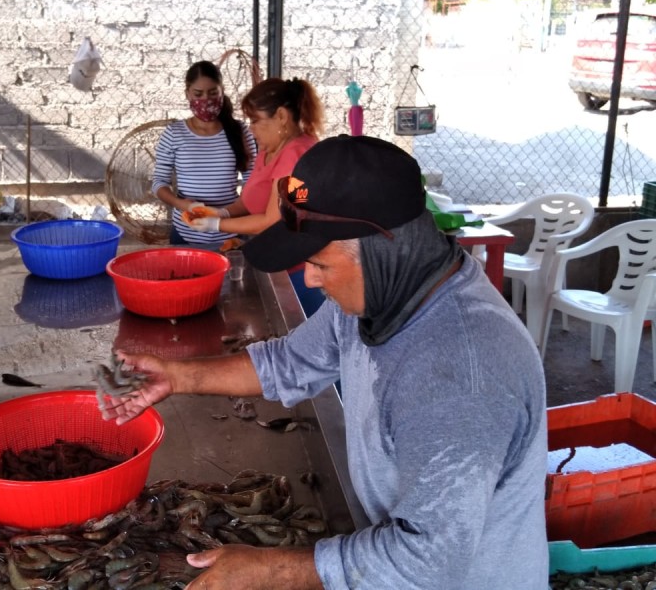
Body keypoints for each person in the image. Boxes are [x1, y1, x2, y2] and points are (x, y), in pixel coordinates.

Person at [101, 135, 548, 590]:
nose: (309, 277)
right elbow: (291, 361)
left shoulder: (459, 376)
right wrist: (178, 376)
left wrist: (269, 569)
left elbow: (427, 560)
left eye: (319, 263)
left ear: (383, 248)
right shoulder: (382, 294)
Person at [187, 76, 326, 316]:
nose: (250, 128)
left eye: (255, 120)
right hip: (278, 260)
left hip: (300, 269)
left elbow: (272, 221)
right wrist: (221, 211)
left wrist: (215, 224)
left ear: (281, 116)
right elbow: (250, 200)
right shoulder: (269, 150)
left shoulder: (296, 154)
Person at [151, 60, 257, 245]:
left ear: (222, 91)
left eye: (213, 93)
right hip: (186, 232)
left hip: (230, 231)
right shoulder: (174, 134)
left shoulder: (239, 132)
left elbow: (252, 183)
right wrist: (182, 204)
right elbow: (159, 183)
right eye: (198, 94)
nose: (206, 100)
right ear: (187, 94)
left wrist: (224, 214)